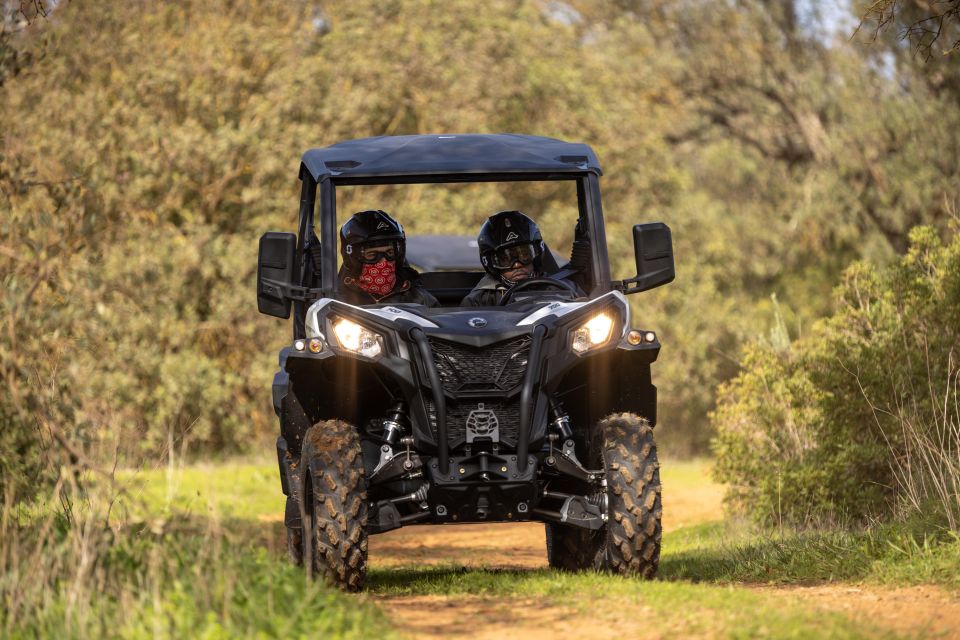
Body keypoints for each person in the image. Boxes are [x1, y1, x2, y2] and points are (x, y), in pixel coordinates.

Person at [461, 210, 582, 306]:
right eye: (505, 259)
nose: (517, 265)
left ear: (536, 254)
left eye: (524, 255)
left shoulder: (565, 288)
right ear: (491, 264)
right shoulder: (480, 300)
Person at [338, 209, 439, 307]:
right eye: (372, 254)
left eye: (389, 253)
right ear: (353, 257)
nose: (384, 261)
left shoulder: (419, 299)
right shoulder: (336, 300)